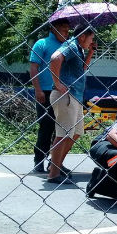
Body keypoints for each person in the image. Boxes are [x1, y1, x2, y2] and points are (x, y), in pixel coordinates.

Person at [47, 27, 96, 183]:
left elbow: (81, 69)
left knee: (76, 133)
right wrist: (57, 83)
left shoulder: (79, 49)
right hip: (66, 95)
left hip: (75, 96)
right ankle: (53, 174)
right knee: (63, 134)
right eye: (90, 38)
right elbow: (55, 58)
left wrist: (90, 53)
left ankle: (57, 164)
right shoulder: (71, 45)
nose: (91, 41)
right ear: (82, 36)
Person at [29, 19, 70, 172]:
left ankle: (55, 162)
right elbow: (33, 67)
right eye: (63, 29)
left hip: (63, 92)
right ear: (54, 28)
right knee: (46, 127)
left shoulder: (68, 46)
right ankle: (39, 160)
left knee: (61, 129)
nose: (67, 32)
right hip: (45, 91)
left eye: (68, 29)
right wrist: (38, 90)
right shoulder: (42, 44)